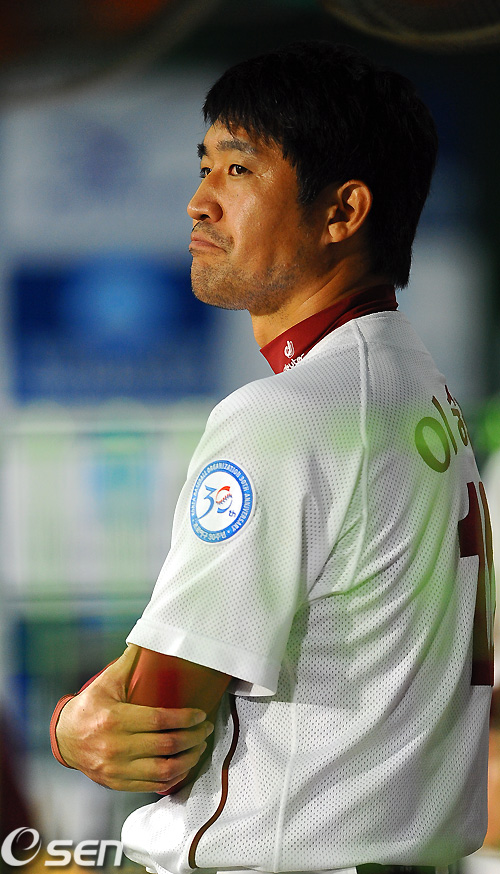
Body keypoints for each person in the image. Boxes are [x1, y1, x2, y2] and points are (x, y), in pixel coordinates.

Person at [51, 41, 495, 874]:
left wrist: (69, 725)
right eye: (204, 167)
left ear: (343, 211)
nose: (198, 202)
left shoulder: (287, 415)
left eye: (239, 170)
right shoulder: (415, 384)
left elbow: (151, 731)